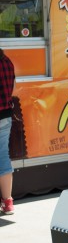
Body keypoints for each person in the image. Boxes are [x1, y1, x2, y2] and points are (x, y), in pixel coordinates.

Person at [0, 47, 15, 215]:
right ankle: (8, 202)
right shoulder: (7, 62)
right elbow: (13, 87)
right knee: (3, 156)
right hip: (4, 117)